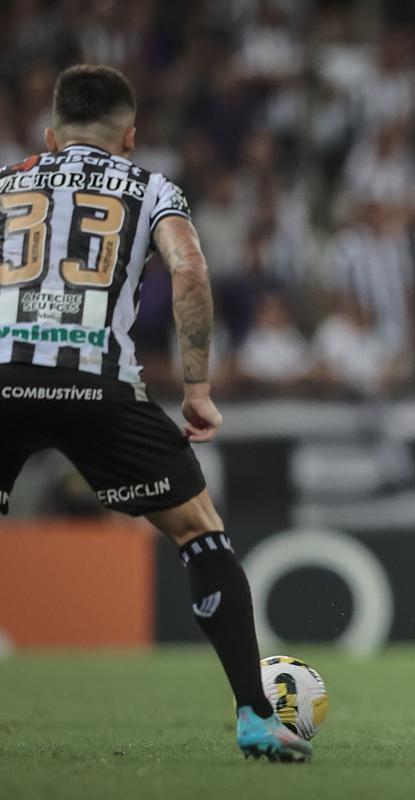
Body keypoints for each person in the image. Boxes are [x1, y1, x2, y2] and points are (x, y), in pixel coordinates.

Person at [0, 65, 311, 762]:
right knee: (200, 532)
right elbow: (191, 270)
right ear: (131, 138)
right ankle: (256, 718)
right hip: (95, 384)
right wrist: (197, 389)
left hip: (2, 376)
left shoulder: (5, 183)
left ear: (50, 134)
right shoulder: (150, 187)